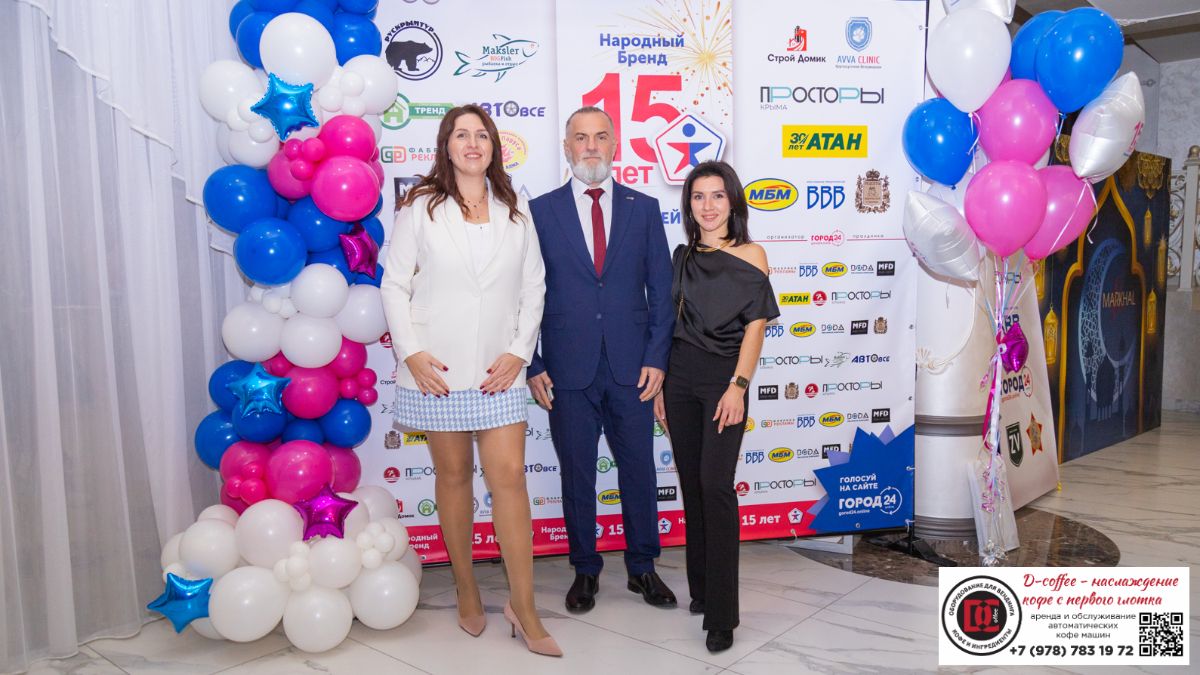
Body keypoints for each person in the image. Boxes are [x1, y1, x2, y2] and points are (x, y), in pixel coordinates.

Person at [380, 105, 560, 657]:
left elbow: (534, 287)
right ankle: (466, 588)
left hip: (499, 370)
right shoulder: (420, 208)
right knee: (454, 477)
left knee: (510, 478)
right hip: (437, 370)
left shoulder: (516, 210)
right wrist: (411, 353)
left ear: (493, 147)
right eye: (462, 135)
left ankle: (524, 606)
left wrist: (519, 352)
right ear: (447, 145)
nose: (473, 143)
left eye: (482, 134)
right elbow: (394, 284)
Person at [526, 106, 677, 612]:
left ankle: (643, 567)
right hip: (566, 370)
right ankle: (585, 570)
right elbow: (521, 293)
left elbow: (662, 291)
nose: (590, 146)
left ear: (615, 145)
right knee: (577, 474)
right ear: (566, 147)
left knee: (639, 472)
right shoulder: (540, 212)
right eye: (580, 137)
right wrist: (532, 363)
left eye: (600, 137)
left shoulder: (644, 208)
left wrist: (658, 359)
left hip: (634, 369)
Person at [656, 160, 778, 653]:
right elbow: (669, 325)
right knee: (692, 484)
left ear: (733, 202)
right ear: (689, 205)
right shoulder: (681, 256)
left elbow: (756, 328)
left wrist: (738, 386)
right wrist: (661, 387)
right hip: (679, 378)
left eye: (717, 196)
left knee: (716, 486)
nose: (707, 206)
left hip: (724, 380)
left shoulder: (752, 255)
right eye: (698, 196)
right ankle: (702, 590)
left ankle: (723, 616)